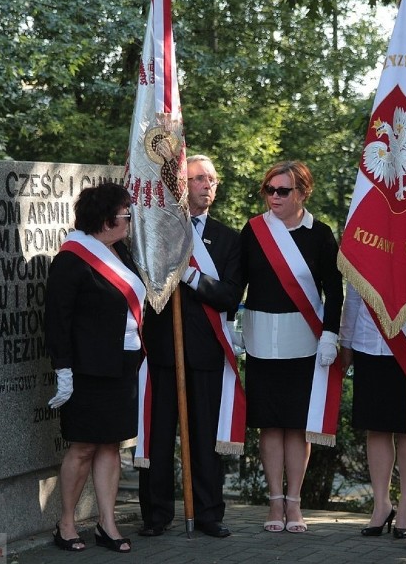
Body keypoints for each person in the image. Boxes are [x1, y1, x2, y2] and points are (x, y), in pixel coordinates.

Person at [138, 155, 244, 538]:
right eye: (200, 179)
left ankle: (208, 513)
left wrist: (192, 276)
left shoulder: (229, 238)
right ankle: (156, 514)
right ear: (182, 184)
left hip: (206, 352)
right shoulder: (158, 233)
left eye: (213, 179)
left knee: (204, 440)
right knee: (159, 437)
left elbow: (230, 296)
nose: (208, 185)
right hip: (162, 350)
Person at [240, 160, 344, 533]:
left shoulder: (321, 234)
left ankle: (295, 503)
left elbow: (334, 289)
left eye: (283, 190)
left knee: (298, 426)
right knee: (269, 425)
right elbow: (237, 282)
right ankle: (274, 502)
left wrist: (330, 334)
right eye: (270, 189)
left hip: (305, 342)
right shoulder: (253, 231)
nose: (274, 197)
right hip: (261, 341)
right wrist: (229, 326)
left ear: (303, 192)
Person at [45, 182, 145, 554]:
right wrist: (64, 369)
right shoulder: (72, 259)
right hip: (87, 370)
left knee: (110, 445)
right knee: (84, 447)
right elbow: (57, 319)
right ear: (106, 220)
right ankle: (67, 523)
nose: (129, 221)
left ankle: (107, 523)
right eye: (125, 215)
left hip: (123, 363)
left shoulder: (122, 253)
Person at [339, 285, 406, 539]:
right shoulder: (364, 242)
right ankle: (381, 505)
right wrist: (346, 341)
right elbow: (354, 296)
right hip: (368, 343)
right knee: (376, 427)